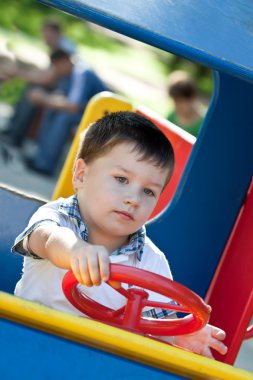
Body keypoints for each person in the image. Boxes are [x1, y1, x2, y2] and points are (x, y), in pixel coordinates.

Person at [12, 111, 227, 359]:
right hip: (26, 346)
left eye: (148, 191)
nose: (133, 199)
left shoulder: (152, 261)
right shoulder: (59, 218)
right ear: (81, 175)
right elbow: (47, 239)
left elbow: (155, 327)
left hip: (96, 365)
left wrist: (178, 335)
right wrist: (75, 250)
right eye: (121, 179)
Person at [167, 70, 204, 137]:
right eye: (175, 101)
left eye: (181, 101)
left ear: (192, 98)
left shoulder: (201, 127)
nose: (177, 106)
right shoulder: (171, 117)